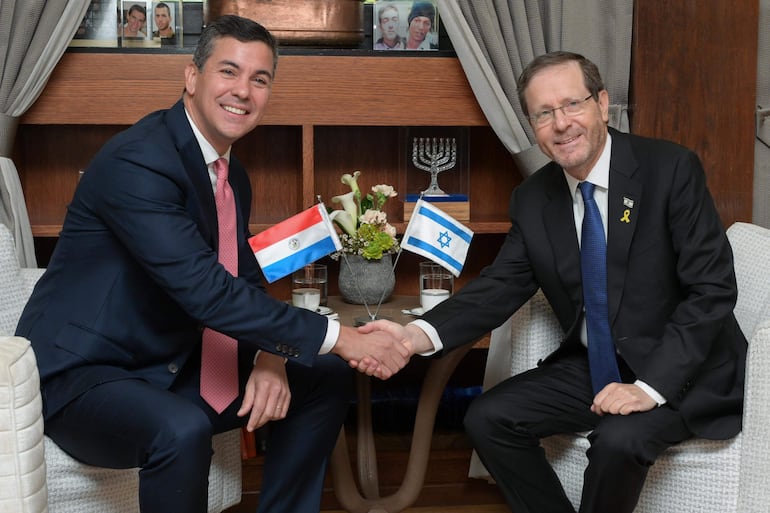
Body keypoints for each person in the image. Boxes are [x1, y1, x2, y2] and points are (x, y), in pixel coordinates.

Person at [16, 15, 409, 513]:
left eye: (259, 79)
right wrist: (345, 338)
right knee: (182, 427)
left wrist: (273, 357)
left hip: (170, 360)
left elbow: (240, 276)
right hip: (86, 375)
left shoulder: (229, 173)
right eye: (229, 71)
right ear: (192, 76)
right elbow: (206, 291)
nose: (243, 91)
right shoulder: (139, 161)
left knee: (323, 375)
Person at [361, 51, 747, 512]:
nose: (561, 123)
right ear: (532, 126)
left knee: (618, 439)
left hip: (682, 369)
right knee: (488, 417)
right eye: (544, 113)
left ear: (602, 104)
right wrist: (410, 337)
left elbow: (713, 291)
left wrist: (648, 388)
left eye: (572, 104)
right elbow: (501, 285)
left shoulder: (670, 170)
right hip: (597, 366)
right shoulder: (533, 198)